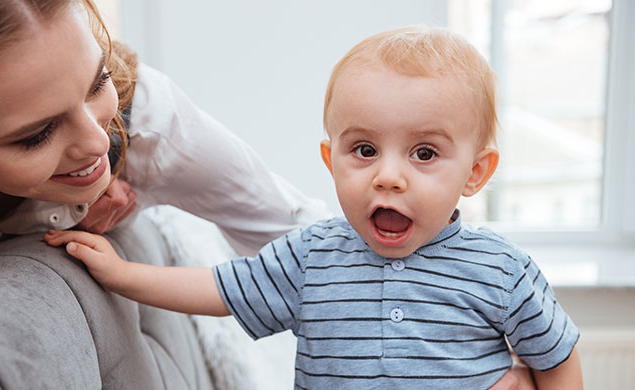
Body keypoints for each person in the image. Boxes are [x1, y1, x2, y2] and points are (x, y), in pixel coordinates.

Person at [44, 25, 581, 389]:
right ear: (331, 159)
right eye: (364, 150)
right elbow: (218, 289)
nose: (387, 177)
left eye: (424, 153)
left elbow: (556, 358)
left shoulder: (502, 270)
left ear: (476, 173)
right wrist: (121, 274)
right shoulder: (312, 255)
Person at [0, 0, 329, 282]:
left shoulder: (146, 119)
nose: (96, 142)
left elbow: (317, 251)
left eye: (98, 82)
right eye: (37, 135)